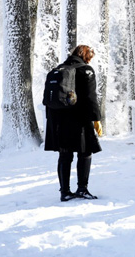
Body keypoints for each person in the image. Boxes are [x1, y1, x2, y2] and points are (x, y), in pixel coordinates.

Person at [44, 45, 102, 202]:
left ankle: (65, 192)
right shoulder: (86, 70)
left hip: (57, 120)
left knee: (65, 155)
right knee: (85, 152)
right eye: (90, 57)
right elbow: (91, 97)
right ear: (86, 56)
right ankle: (82, 189)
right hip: (79, 119)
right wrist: (96, 118)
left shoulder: (58, 69)